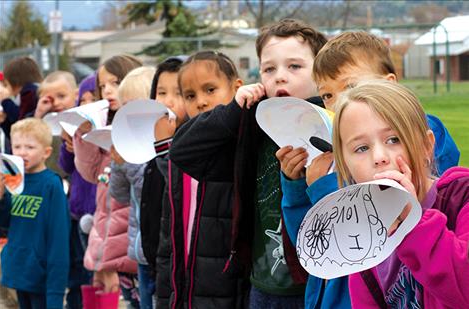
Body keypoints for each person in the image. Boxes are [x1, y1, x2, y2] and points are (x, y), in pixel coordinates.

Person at [278, 30, 461, 308]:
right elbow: (317, 247)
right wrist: (297, 188)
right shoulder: (331, 157)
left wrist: (412, 218)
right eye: (327, 95)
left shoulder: (457, 193)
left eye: (350, 87)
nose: (340, 103)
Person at [169, 19, 328, 308]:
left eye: (294, 66)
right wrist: (233, 110)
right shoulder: (252, 128)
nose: (280, 77)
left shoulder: (335, 124)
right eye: (269, 69)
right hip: (262, 285)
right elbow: (182, 151)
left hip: (316, 288)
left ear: (320, 73)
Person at [330, 79, 469, 308]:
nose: (379, 157)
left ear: (426, 146)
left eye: (393, 140)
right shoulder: (364, 240)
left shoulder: (461, 196)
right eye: (361, 148)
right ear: (345, 165)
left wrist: (413, 222)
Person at [156, 51, 247, 308]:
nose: (201, 102)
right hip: (185, 292)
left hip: (227, 290)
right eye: (191, 95)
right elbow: (168, 243)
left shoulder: (241, 148)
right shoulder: (182, 153)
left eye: (210, 89)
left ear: (236, 88)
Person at [72, 54, 142, 308]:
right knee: (102, 293)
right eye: (103, 85)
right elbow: (90, 172)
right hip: (104, 228)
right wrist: (83, 134)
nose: (108, 91)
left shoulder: (140, 128)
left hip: (130, 237)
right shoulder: (105, 126)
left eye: (115, 82)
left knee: (132, 299)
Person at [0, 117, 70, 309]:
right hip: (19, 271)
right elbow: (4, 225)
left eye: (30, 147)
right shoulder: (11, 180)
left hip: (43, 277)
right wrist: (1, 198)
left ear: (46, 152)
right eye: (17, 147)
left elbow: (59, 240)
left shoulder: (51, 185)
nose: (22, 153)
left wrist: (56, 293)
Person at [138, 56, 187, 308]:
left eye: (178, 93)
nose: (168, 101)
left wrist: (165, 146)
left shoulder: (190, 145)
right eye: (161, 92)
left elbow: (177, 188)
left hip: (179, 266)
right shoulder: (152, 141)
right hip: (155, 260)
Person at [109, 66, 156, 309]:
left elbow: (147, 191)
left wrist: (126, 164)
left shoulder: (159, 147)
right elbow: (120, 196)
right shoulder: (130, 145)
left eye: (134, 106)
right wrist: (118, 163)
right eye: (123, 106)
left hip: (157, 252)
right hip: (139, 252)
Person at [58, 73, 97, 309]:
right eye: (83, 100)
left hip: (97, 217)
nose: (87, 104)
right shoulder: (76, 128)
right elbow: (65, 166)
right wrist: (68, 146)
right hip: (76, 213)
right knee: (76, 270)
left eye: (94, 98)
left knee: (92, 275)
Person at [34, 70, 79, 178]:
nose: (56, 103)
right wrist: (39, 113)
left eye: (61, 96)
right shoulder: (44, 120)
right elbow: (30, 137)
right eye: (50, 99)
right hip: (48, 178)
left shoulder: (82, 121)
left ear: (76, 94)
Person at [1, 57, 43, 139]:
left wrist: (6, 101)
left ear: (13, 81)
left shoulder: (29, 92)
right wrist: (4, 121)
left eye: (6, 85)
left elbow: (21, 120)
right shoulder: (29, 92)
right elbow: (15, 133)